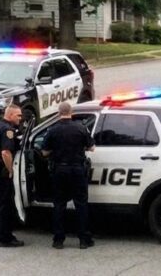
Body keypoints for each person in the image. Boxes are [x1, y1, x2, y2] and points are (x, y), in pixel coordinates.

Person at [42, 102, 95, 249]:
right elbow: (92, 147)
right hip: (77, 170)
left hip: (59, 170)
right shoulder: (81, 128)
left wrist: (56, 150)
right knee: (81, 204)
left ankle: (58, 240)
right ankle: (84, 240)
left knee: (59, 205)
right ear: (71, 112)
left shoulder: (52, 130)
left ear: (59, 113)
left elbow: (44, 152)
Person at [0, 104, 25, 247]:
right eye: (18, 115)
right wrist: (10, 170)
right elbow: (6, 152)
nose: (20, 118)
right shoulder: (8, 130)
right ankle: (6, 238)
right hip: (2, 170)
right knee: (6, 204)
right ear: (10, 115)